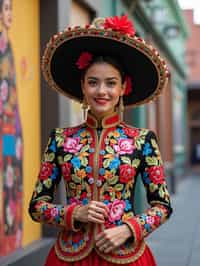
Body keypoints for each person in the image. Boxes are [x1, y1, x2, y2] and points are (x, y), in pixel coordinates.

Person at [29, 15, 172, 265]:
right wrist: (73, 213)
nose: (102, 91)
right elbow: (37, 206)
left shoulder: (142, 141)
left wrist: (128, 229)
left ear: (122, 88)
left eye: (111, 83)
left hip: (127, 255)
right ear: (83, 86)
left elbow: (162, 206)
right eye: (93, 82)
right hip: (69, 256)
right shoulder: (60, 140)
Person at [0, 0, 23, 255]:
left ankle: (10, 236)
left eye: (10, 9)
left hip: (12, 128)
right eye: (5, 9)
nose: (9, 15)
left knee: (12, 178)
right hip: (6, 129)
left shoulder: (8, 45)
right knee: (7, 175)